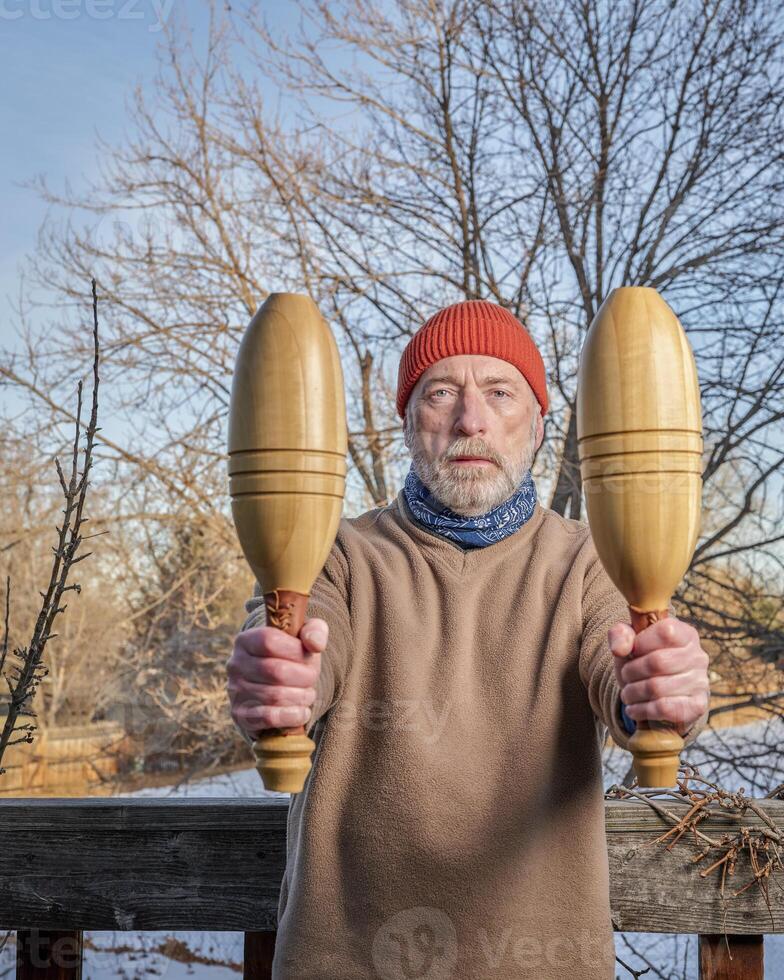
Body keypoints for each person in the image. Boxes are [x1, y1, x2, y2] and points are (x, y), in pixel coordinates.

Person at [226, 299, 711, 980]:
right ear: (407, 422)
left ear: (538, 426)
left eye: (500, 391)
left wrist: (659, 690)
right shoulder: (331, 554)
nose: (470, 419)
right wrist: (278, 681)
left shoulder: (593, 560)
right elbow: (305, 647)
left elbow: (623, 668)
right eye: (442, 392)